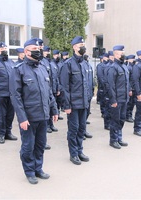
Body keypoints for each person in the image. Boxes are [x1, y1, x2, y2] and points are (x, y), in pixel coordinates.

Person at [9, 38, 58, 184]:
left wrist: (54, 109)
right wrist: (22, 118)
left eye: (38, 49)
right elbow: (16, 96)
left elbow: (48, 92)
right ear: (26, 52)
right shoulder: (18, 70)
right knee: (28, 146)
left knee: (40, 144)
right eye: (33, 49)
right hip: (29, 117)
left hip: (43, 115)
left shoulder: (43, 68)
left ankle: (38, 168)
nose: (37, 51)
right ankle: (29, 171)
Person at [59, 36, 90, 165]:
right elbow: (64, 87)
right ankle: (73, 153)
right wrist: (66, 105)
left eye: (83, 44)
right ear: (74, 47)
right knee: (74, 129)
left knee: (82, 128)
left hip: (84, 103)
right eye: (79, 44)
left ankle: (79, 150)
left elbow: (87, 84)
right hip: (73, 104)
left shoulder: (85, 63)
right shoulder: (68, 64)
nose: (82, 46)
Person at [107, 45, 129, 149]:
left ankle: (119, 138)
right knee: (115, 120)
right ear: (116, 54)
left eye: (123, 53)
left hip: (124, 98)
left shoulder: (124, 67)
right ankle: (113, 140)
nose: (123, 55)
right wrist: (113, 100)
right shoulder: (113, 67)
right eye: (121, 53)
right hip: (117, 99)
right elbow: (111, 85)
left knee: (122, 119)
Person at [41, 45, 59, 134]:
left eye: (48, 52)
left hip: (50, 88)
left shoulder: (49, 62)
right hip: (45, 88)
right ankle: (47, 125)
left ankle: (51, 124)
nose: (47, 53)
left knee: (52, 107)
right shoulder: (41, 62)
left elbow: (53, 77)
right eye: (46, 51)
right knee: (47, 108)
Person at [50, 49, 63, 120]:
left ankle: (58, 113)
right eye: (55, 55)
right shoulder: (52, 64)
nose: (57, 56)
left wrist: (59, 88)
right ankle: (53, 117)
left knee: (59, 102)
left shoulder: (59, 64)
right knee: (53, 103)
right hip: (53, 88)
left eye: (58, 55)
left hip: (58, 86)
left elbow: (59, 77)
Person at [83, 54, 94, 139]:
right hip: (83, 95)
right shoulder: (81, 65)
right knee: (82, 115)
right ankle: (81, 131)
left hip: (89, 93)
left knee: (87, 113)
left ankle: (83, 130)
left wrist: (93, 90)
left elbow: (91, 80)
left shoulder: (89, 66)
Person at [125, 55, 136, 123]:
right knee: (129, 104)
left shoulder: (133, 67)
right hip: (130, 88)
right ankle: (128, 116)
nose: (133, 60)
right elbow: (128, 80)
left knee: (132, 103)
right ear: (129, 60)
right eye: (132, 59)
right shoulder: (128, 68)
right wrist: (130, 89)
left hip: (134, 88)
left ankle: (130, 115)